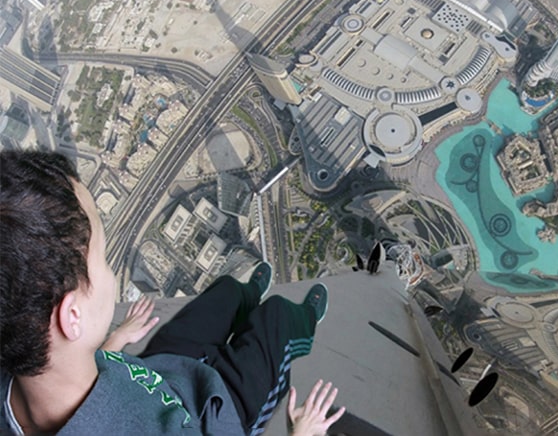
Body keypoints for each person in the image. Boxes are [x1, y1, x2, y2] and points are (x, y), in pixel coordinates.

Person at [0, 149, 345, 435]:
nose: (109, 273)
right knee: (278, 317)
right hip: (218, 416)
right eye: (102, 259)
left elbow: (65, 369)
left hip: (157, 375)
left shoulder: (22, 370)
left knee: (225, 293)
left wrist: (116, 340)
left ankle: (244, 296)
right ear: (72, 316)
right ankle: (303, 320)